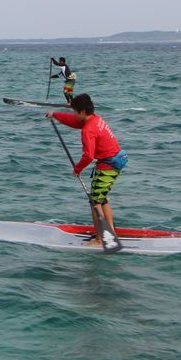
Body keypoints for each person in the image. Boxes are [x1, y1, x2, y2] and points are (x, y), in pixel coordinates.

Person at [46, 93, 128, 247]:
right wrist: (55, 115)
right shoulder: (95, 118)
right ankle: (111, 232)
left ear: (82, 112)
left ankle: (100, 239)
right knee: (102, 199)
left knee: (95, 202)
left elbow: (89, 155)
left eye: (75, 111)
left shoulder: (88, 129)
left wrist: (77, 169)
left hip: (107, 167)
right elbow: (75, 122)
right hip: (114, 163)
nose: (74, 114)